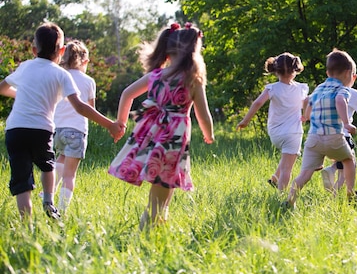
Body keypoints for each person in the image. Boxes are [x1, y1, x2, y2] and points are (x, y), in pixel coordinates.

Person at [0, 22, 123, 221]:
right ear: (62, 50)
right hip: (41, 130)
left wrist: (25, 95)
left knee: (22, 179)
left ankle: (26, 225)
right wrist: (110, 124)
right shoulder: (61, 74)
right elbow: (81, 107)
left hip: (15, 130)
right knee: (48, 165)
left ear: (33, 49)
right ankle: (49, 201)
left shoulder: (24, 67)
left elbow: (2, 88)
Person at [108, 23, 215, 230]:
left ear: (167, 50)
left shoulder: (155, 76)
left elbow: (127, 94)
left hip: (152, 135)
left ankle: (159, 228)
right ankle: (146, 232)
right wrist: (208, 134)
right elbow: (203, 114)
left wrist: (120, 122)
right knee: (161, 191)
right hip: (172, 141)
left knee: (167, 185)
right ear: (193, 52)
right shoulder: (192, 80)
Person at [287, 49, 357, 208]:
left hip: (313, 139)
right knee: (349, 161)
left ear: (328, 72)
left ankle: (290, 201)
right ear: (348, 73)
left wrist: (306, 116)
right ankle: (351, 193)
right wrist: (346, 123)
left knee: (305, 174)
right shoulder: (342, 89)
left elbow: (307, 101)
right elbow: (339, 100)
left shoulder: (319, 88)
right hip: (333, 138)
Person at [236, 53, 309, 191]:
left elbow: (257, 103)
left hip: (275, 133)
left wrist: (245, 121)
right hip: (293, 132)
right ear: (295, 70)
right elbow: (306, 102)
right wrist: (306, 115)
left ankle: (275, 179)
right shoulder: (301, 88)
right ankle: (281, 196)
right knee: (288, 166)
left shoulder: (272, 88)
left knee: (286, 157)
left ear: (275, 71)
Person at [52, 40, 97, 213]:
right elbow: (90, 109)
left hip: (58, 130)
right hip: (76, 131)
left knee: (61, 159)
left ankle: (47, 192)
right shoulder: (88, 81)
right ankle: (62, 211)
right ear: (85, 62)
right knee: (70, 174)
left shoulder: (60, 77)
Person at [320, 78, 357, 193]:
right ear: (353, 76)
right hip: (343, 135)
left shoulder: (323, 90)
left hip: (323, 135)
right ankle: (336, 195)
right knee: (348, 167)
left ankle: (331, 169)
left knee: (341, 163)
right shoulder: (353, 93)